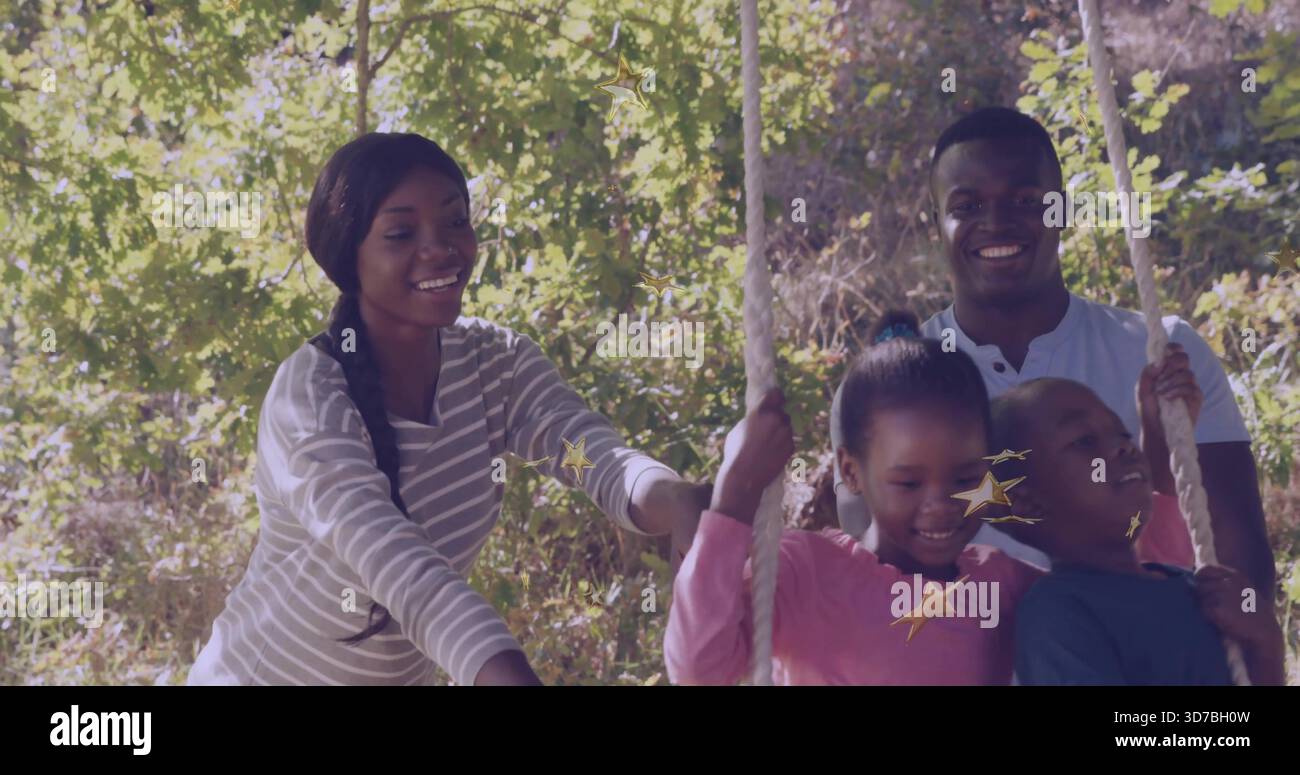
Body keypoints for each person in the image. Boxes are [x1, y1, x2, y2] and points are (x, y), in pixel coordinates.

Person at [188, 133, 708, 686]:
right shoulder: (311, 398)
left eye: (456, 221)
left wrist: (674, 501)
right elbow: (405, 574)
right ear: (349, 255)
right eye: (401, 232)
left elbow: (584, 453)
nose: (440, 248)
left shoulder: (494, 363)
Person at [831, 107, 1272, 593]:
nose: (996, 223)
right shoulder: (888, 386)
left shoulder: (1161, 353)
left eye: (1024, 200)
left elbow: (1242, 562)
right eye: (968, 206)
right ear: (937, 222)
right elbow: (869, 579)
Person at [665, 313, 1041, 685]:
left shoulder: (1001, 584)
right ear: (851, 472)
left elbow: (1094, 612)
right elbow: (699, 669)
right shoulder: (807, 574)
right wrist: (735, 492)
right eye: (909, 483)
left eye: (965, 478)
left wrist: (1045, 526)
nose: (941, 503)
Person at [986, 377, 1285, 685]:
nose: (1122, 446)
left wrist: (1266, 645)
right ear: (1027, 503)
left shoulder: (1199, 588)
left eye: (1122, 433)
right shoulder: (1057, 612)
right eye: (1084, 441)